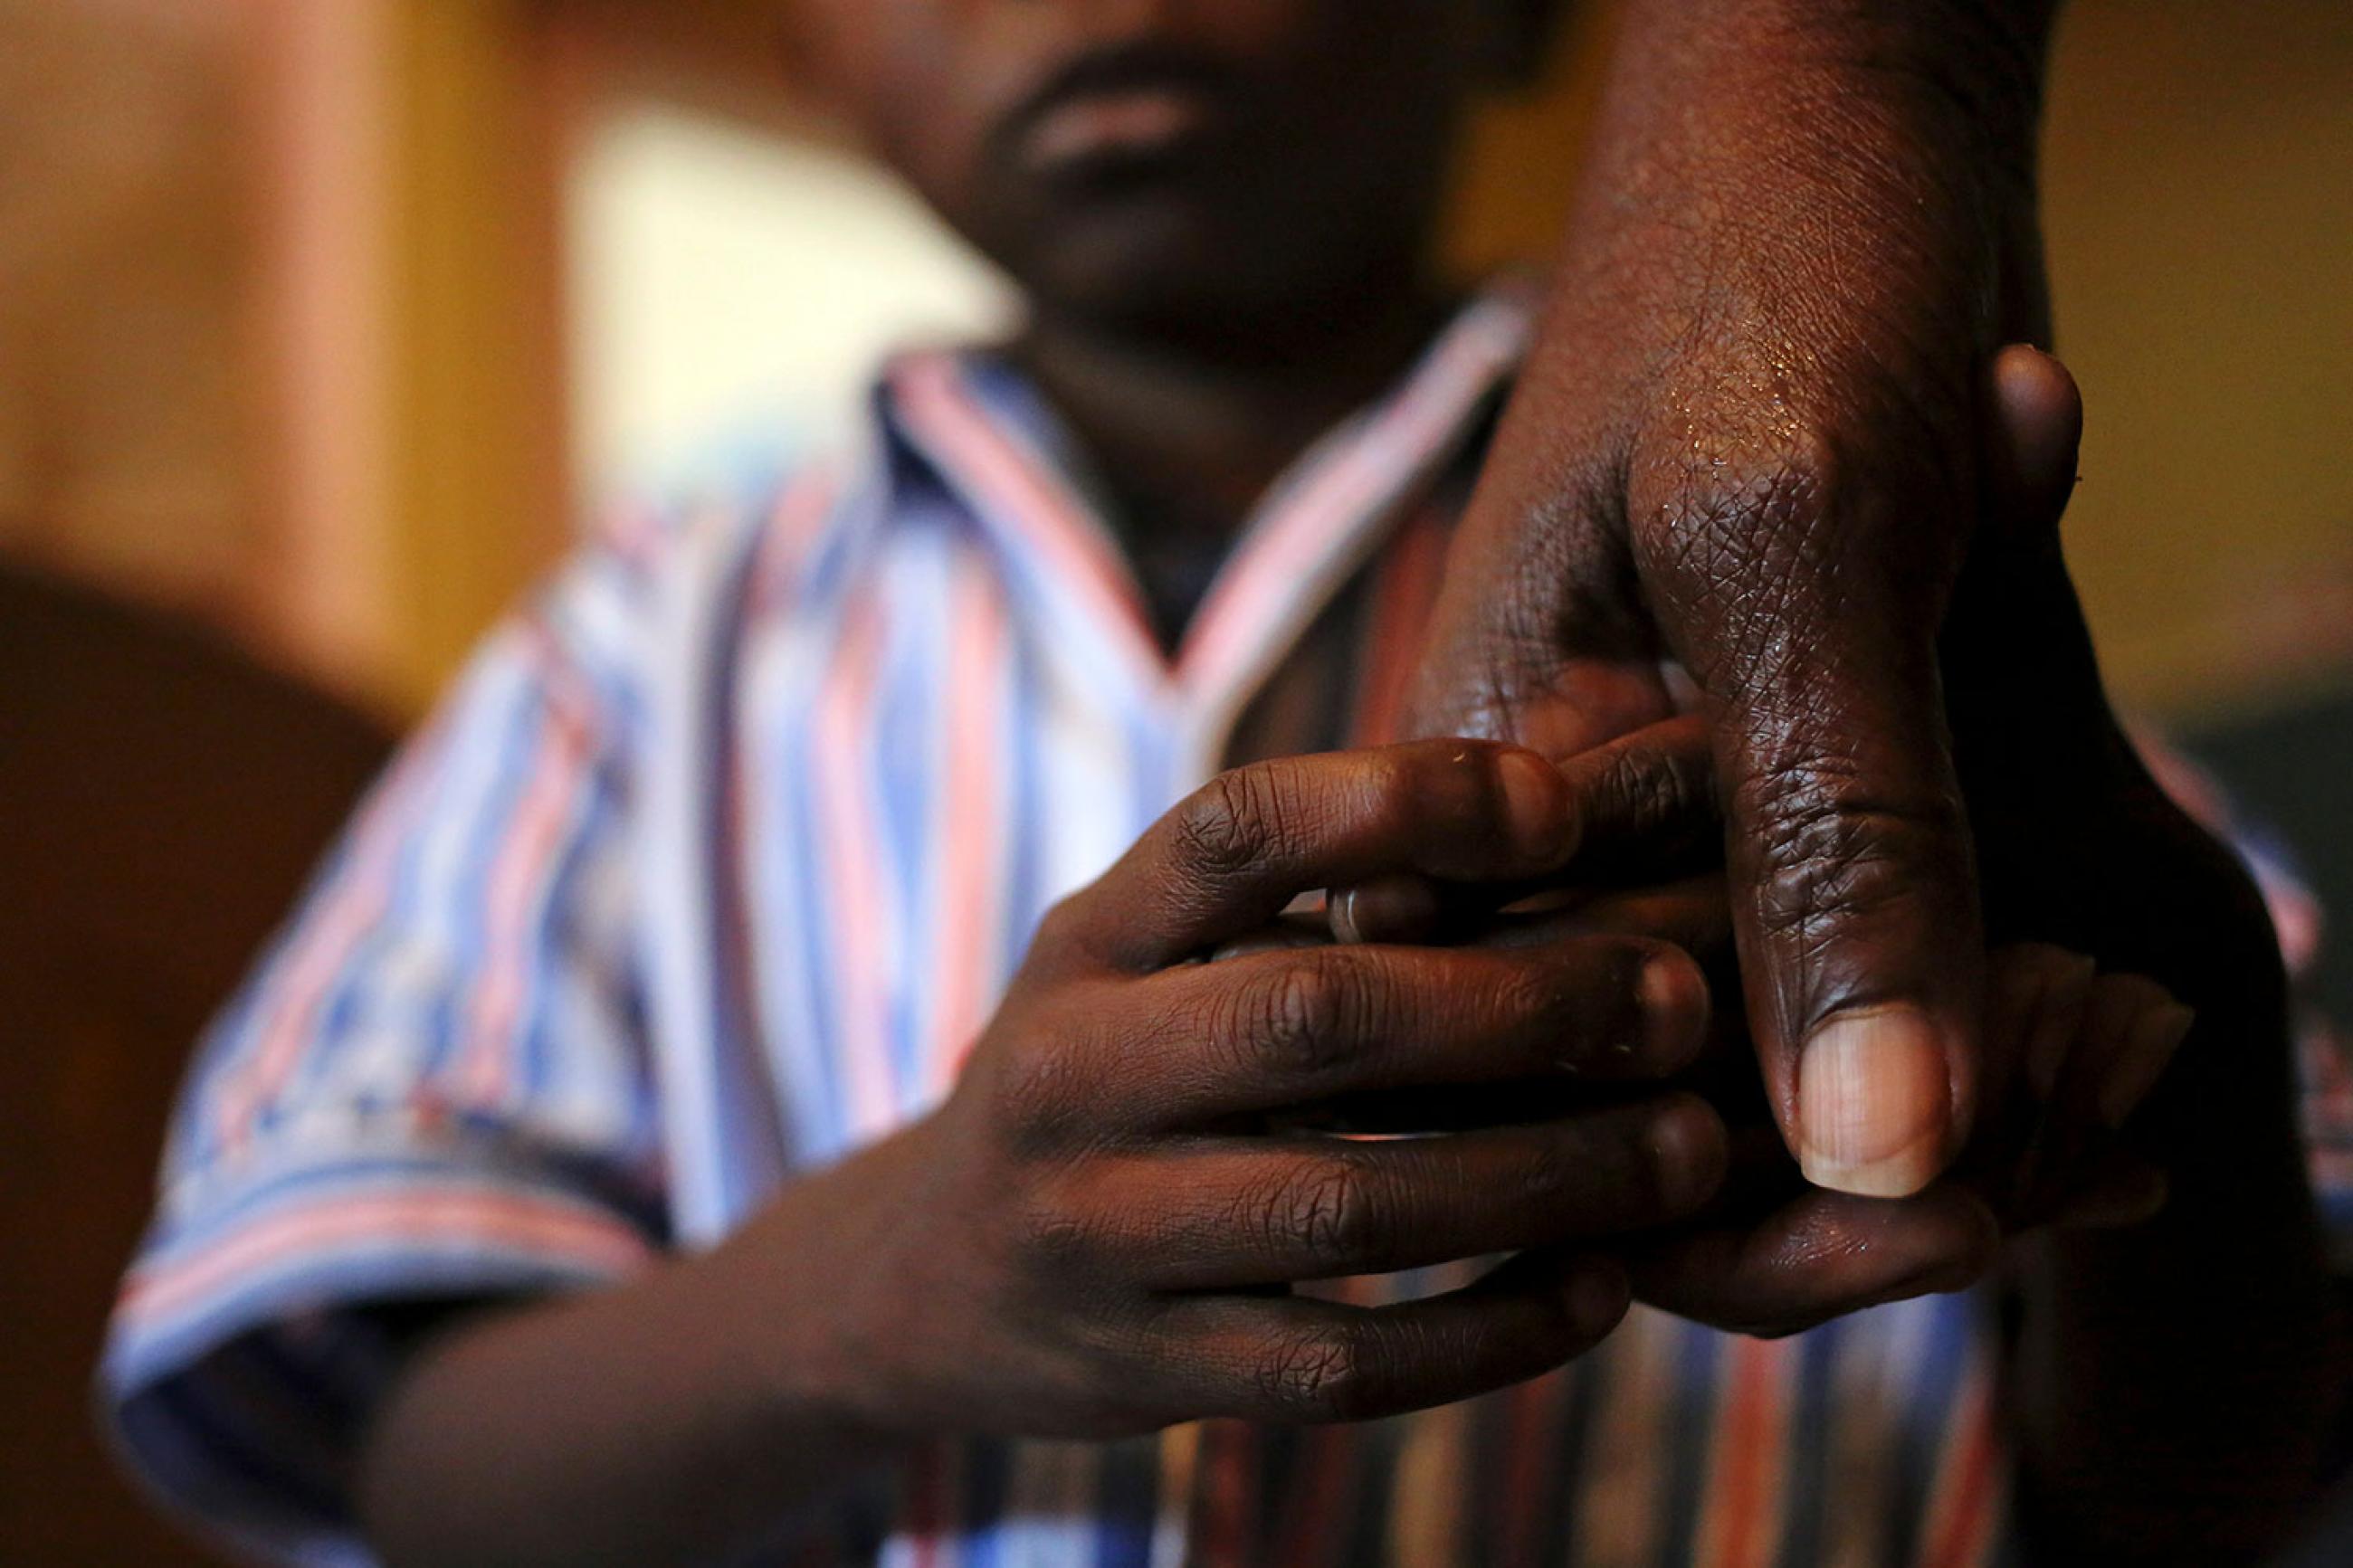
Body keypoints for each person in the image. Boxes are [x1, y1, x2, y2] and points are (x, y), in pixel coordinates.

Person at [99, 2, 2344, 1564]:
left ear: (1521, 8)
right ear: (813, 46)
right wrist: (885, 1281)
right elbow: (398, 1461)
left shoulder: (1823, 548)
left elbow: (2235, 1471)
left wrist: (2173, 1062)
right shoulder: (636, 655)